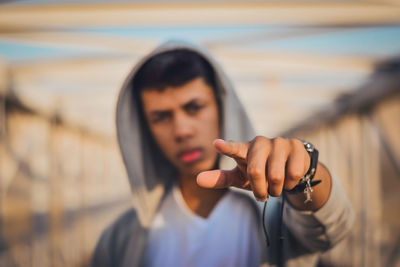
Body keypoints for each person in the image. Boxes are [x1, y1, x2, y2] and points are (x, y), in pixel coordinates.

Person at [91, 40, 354, 267]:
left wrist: (305, 174)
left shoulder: (278, 214)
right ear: (144, 129)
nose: (181, 130)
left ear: (222, 107)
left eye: (194, 107)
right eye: (161, 117)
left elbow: (333, 228)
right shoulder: (120, 239)